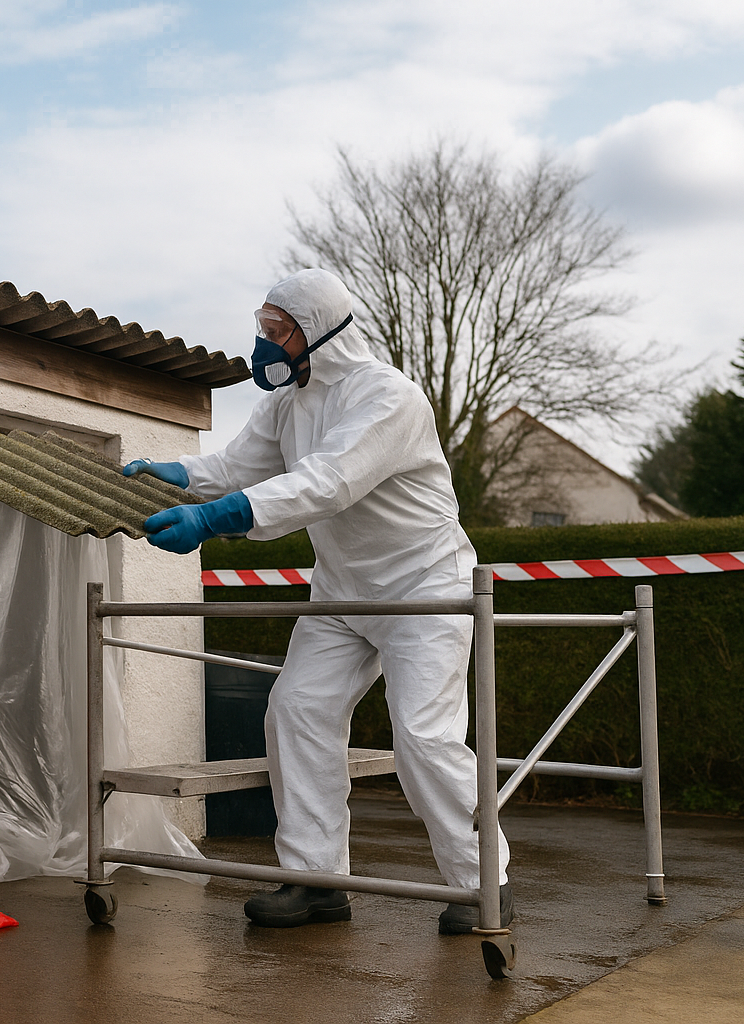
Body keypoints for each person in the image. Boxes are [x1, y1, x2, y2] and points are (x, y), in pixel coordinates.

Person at [124, 268, 512, 934]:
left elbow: (328, 482)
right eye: (263, 329)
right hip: (342, 590)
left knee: (423, 735)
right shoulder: (289, 400)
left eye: (277, 331)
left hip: (425, 585)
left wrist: (218, 520)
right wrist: (179, 475)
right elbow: (242, 466)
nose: (265, 343)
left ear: (319, 331)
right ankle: (316, 881)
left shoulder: (388, 398)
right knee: (297, 711)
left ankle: (484, 885)